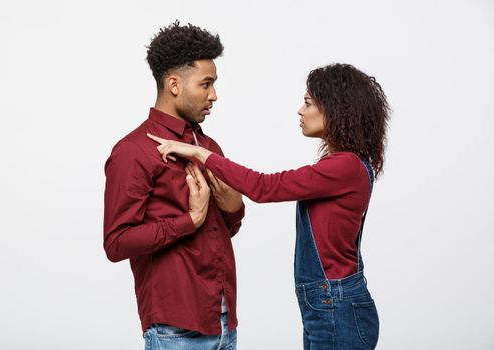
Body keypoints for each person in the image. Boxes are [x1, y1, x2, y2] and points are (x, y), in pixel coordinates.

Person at [148, 63, 390, 350]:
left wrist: (200, 153)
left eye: (308, 103)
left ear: (337, 110)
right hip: (330, 304)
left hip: (336, 306)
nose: (301, 111)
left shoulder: (345, 167)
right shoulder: (346, 166)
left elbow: (264, 187)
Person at [103, 21, 245, 350]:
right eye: (206, 84)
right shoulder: (133, 151)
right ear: (174, 84)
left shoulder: (208, 146)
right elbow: (116, 242)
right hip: (175, 331)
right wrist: (188, 221)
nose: (214, 95)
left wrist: (234, 207)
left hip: (224, 322)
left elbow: (222, 231)